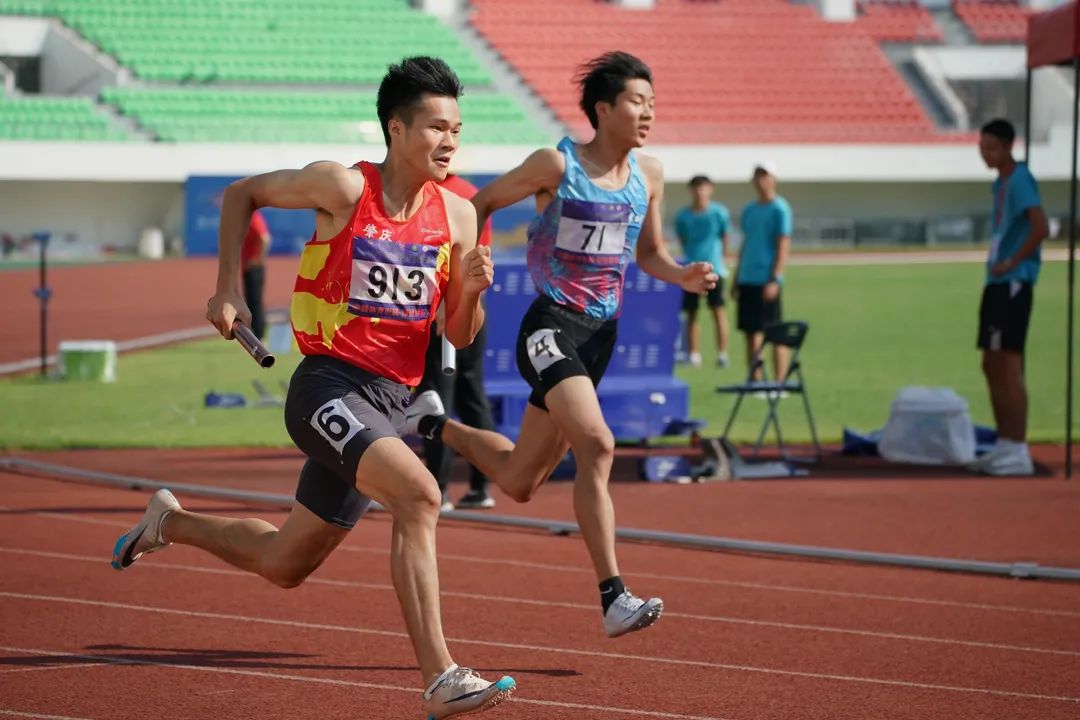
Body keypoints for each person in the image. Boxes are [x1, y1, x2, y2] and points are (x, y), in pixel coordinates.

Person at [110, 56, 516, 719]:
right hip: (327, 386)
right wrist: (227, 288)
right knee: (420, 496)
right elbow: (244, 192)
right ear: (397, 128)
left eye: (458, 129)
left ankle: (169, 522)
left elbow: (460, 336)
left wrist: (469, 292)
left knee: (284, 563)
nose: (450, 141)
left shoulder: (460, 217)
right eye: (437, 127)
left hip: (389, 402)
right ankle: (441, 675)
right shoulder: (343, 188)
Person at [404, 52, 717, 638]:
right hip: (550, 326)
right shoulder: (557, 163)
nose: (648, 112)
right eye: (636, 101)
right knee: (597, 443)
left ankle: (430, 424)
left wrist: (683, 276)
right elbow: (480, 203)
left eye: (652, 102)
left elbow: (648, 254)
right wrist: (461, 267)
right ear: (603, 109)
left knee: (520, 481)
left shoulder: (649, 175)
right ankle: (613, 596)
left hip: (601, 337)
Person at [967, 118, 1048, 476]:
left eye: (991, 148)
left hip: (1013, 281)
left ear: (1007, 146)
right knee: (991, 363)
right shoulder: (998, 185)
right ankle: (1004, 443)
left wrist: (1015, 260)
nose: (985, 154)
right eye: (981, 147)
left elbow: (1040, 225)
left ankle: (1017, 447)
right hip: (997, 281)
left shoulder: (1019, 180)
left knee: (1009, 363)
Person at [419, 173, 498, 511]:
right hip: (473, 309)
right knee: (472, 397)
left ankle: (438, 489)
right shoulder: (470, 194)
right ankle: (481, 487)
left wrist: (444, 304)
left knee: (436, 398)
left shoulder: (429, 195)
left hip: (443, 312)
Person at [733, 163, 792, 383]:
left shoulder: (780, 208)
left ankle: (780, 380)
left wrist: (775, 278)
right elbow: (746, 242)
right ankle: (755, 379)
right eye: (757, 176)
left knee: (774, 332)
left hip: (766, 278)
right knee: (750, 331)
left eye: (764, 176)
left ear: (773, 179)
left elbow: (783, 244)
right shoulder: (750, 209)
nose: (760, 180)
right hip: (748, 277)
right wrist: (738, 275)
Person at [674, 175, 731, 368]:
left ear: (711, 189)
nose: (700, 192)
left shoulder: (719, 213)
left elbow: (724, 238)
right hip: (691, 270)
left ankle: (722, 353)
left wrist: (720, 260)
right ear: (691, 190)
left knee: (718, 311)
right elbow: (682, 238)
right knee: (691, 313)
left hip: (714, 269)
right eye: (696, 188)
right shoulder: (683, 216)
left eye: (704, 188)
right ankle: (693, 353)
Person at [240, 209, 272, 339]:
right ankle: (256, 335)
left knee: (255, 302)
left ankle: (259, 336)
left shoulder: (253, 217)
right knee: (251, 302)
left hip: (254, 267)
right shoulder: (248, 218)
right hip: (248, 266)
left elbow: (265, 238)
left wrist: (258, 258)